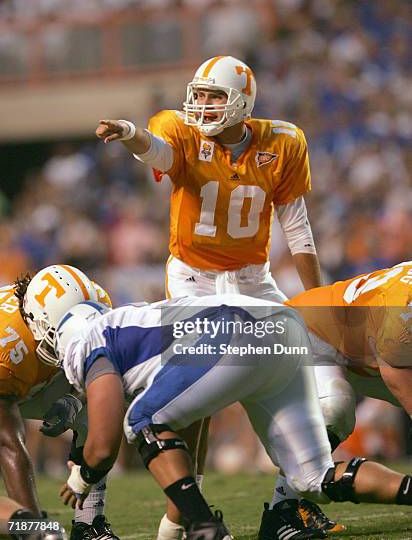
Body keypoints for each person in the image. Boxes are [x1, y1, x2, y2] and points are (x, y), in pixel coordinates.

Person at [95, 54, 325, 536]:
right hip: (193, 279)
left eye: (213, 97)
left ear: (242, 103)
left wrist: (319, 299)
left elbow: (297, 228)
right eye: (197, 94)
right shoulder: (178, 129)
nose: (200, 106)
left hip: (254, 278)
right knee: (192, 394)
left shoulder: (283, 142)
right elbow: (156, 149)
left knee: (296, 375)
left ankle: (292, 500)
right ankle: (183, 512)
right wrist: (130, 132)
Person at [22, 288, 412, 540]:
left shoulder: (85, 340)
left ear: (51, 325)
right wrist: (173, 521)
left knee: (141, 421)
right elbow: (186, 415)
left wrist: (82, 478)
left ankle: (208, 530)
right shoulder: (128, 322)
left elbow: (104, 442)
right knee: (313, 478)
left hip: (236, 329)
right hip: (283, 326)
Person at [258, 260, 412, 536]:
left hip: (361, 349)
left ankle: (284, 510)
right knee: (334, 408)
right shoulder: (405, 302)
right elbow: (397, 373)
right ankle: (283, 509)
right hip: (308, 332)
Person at [0, 265, 117, 540]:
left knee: (100, 409)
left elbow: (106, 372)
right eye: (60, 334)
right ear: (36, 321)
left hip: (35, 370)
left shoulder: (98, 302)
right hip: (11, 375)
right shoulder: (7, 347)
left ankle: (89, 523)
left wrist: (75, 400)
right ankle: (29, 529)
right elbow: (8, 445)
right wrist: (36, 530)